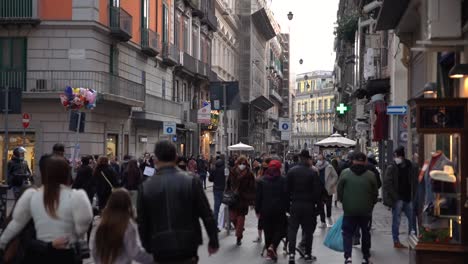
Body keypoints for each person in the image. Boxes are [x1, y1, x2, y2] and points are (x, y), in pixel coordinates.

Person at [137, 141, 219, 263]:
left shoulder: (146, 187)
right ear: (176, 157)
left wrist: (148, 246)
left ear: (156, 159)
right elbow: (206, 214)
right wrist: (213, 240)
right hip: (187, 245)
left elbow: (142, 222)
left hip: (160, 247)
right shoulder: (191, 181)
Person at [0, 156, 93, 263]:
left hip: (40, 254)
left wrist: (2, 243)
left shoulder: (31, 196)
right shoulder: (77, 197)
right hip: (67, 253)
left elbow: (16, 224)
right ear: (67, 174)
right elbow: (83, 226)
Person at [91, 188, 153, 264]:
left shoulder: (100, 223)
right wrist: (153, 258)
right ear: (128, 205)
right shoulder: (127, 225)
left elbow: (94, 251)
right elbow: (135, 252)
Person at [337, 152, 378, 264]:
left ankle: (348, 257)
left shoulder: (345, 173)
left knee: (347, 233)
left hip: (349, 210)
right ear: (364, 162)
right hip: (366, 210)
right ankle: (365, 257)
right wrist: (371, 203)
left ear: (353, 161)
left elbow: (339, 190)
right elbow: (375, 193)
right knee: (365, 232)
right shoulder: (370, 175)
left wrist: (342, 201)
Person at [286, 150, 321, 264]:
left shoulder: (291, 171)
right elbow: (317, 192)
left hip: (295, 204)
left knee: (293, 230)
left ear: (300, 158)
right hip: (308, 205)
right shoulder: (312, 173)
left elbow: (286, 191)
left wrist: (287, 206)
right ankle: (307, 254)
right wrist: (318, 208)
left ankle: (291, 254)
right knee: (308, 231)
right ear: (307, 159)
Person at [383, 146, 418, 249]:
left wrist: (413, 194)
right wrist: (395, 197)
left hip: (408, 197)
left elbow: (414, 181)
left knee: (412, 219)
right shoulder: (392, 167)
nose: (395, 158)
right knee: (396, 220)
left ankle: (413, 240)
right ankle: (396, 241)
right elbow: (387, 183)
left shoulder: (410, 166)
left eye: (396, 156)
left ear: (401, 156)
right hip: (398, 198)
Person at [255, 160, 288, 261]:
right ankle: (272, 247)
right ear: (278, 169)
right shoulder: (283, 180)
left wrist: (257, 210)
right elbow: (286, 196)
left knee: (268, 230)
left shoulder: (262, 181)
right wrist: (287, 208)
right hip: (279, 210)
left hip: (266, 210)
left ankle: (270, 253)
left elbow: (258, 197)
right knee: (280, 229)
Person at [227, 156, 256, 246]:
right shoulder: (232, 171)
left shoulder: (249, 174)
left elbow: (252, 188)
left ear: (246, 164)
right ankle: (239, 229)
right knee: (232, 218)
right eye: (240, 163)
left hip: (243, 199)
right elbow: (228, 184)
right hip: (233, 198)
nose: (242, 165)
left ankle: (239, 236)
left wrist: (252, 201)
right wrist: (227, 195)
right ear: (237, 163)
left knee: (240, 219)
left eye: (244, 164)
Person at [316, 154, 338, 227]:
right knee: (321, 206)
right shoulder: (316, 167)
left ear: (323, 160)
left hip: (328, 188)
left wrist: (331, 184)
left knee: (328, 205)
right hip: (319, 189)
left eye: (320, 159)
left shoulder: (329, 166)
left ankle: (329, 218)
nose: (319, 161)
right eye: (318, 159)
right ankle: (323, 222)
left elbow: (335, 176)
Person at [253, 157, 271, 244]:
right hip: (270, 203)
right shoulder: (274, 177)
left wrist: (256, 205)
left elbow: (257, 194)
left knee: (261, 220)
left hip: (262, 203)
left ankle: (260, 237)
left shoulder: (260, 179)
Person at [208, 155, 226, 228]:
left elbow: (210, 179)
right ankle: (225, 223)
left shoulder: (214, 169)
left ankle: (215, 224)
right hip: (224, 189)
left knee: (216, 208)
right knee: (226, 207)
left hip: (216, 189)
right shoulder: (225, 169)